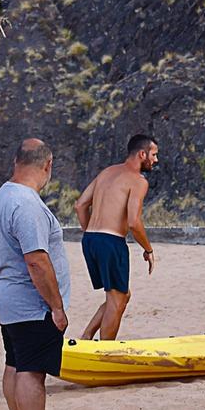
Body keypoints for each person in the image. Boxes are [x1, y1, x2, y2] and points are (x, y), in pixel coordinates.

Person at [0, 138, 73, 410]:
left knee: (16, 363)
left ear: (16, 162)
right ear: (47, 165)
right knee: (32, 370)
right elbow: (36, 259)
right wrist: (57, 306)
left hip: (7, 296)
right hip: (28, 300)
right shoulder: (26, 203)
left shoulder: (1, 197)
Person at [74, 134, 158, 341]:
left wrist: (91, 233)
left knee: (121, 295)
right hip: (111, 241)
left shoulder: (107, 172)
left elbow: (80, 205)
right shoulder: (138, 181)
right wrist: (148, 249)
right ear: (142, 154)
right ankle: (105, 352)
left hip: (90, 240)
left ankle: (86, 337)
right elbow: (133, 222)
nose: (155, 160)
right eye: (154, 155)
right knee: (116, 299)